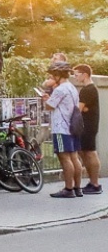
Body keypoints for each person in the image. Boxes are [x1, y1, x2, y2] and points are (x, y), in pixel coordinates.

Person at [44, 66, 83, 198]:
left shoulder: (60, 89)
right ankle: (78, 188)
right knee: (74, 157)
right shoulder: (72, 88)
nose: (51, 78)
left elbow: (49, 106)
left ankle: (68, 189)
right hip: (72, 126)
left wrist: (45, 99)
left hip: (61, 127)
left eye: (52, 76)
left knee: (64, 158)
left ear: (57, 75)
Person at [73, 64, 100, 194]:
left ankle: (95, 184)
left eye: (77, 74)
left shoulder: (88, 89)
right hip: (87, 124)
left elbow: (79, 108)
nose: (75, 77)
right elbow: (83, 108)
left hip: (88, 125)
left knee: (90, 152)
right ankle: (92, 182)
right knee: (84, 151)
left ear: (85, 74)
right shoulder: (89, 89)